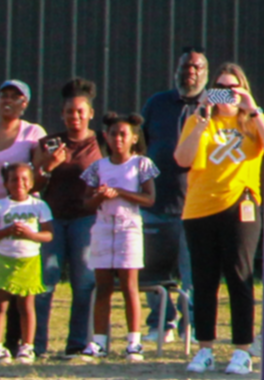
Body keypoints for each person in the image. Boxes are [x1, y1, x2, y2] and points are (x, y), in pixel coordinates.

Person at [175, 62, 264, 374]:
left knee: (240, 276)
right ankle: (205, 347)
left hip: (240, 205)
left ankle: (242, 349)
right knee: (204, 281)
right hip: (200, 208)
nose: (226, 95)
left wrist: (251, 109)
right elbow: (182, 159)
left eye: (232, 88)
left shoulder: (254, 121)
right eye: (220, 88)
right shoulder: (199, 120)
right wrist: (200, 118)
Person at [140, 48, 208, 346]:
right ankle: (160, 323)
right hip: (157, 200)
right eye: (185, 66)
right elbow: (141, 143)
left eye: (196, 67)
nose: (189, 72)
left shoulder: (213, 104)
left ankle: (190, 326)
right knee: (154, 270)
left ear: (206, 72)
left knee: (192, 273)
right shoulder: (157, 102)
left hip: (195, 203)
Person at [32, 77, 102, 355]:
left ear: (90, 114)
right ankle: (36, 345)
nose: (75, 117)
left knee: (84, 283)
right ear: (62, 114)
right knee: (46, 282)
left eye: (80, 111)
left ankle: (77, 344)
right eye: (70, 112)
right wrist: (47, 167)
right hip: (53, 219)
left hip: (86, 218)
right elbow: (33, 185)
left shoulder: (101, 142)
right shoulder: (49, 143)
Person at [82, 113, 156, 361]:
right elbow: (86, 202)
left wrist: (121, 192)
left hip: (128, 228)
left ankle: (134, 342)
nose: (118, 139)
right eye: (113, 134)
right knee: (103, 286)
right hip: (103, 228)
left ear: (134, 138)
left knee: (128, 285)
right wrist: (101, 196)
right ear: (106, 137)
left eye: (123, 134)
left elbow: (149, 198)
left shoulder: (141, 165)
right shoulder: (97, 167)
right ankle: (99, 341)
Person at [1, 162, 54, 362]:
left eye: (24, 179)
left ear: (32, 183)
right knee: (2, 306)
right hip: (4, 260)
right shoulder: (2, 205)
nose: (19, 183)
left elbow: (48, 234)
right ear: (6, 183)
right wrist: (7, 231)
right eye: (14, 179)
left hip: (29, 260)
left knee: (26, 306)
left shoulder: (38, 205)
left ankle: (27, 346)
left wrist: (31, 234)